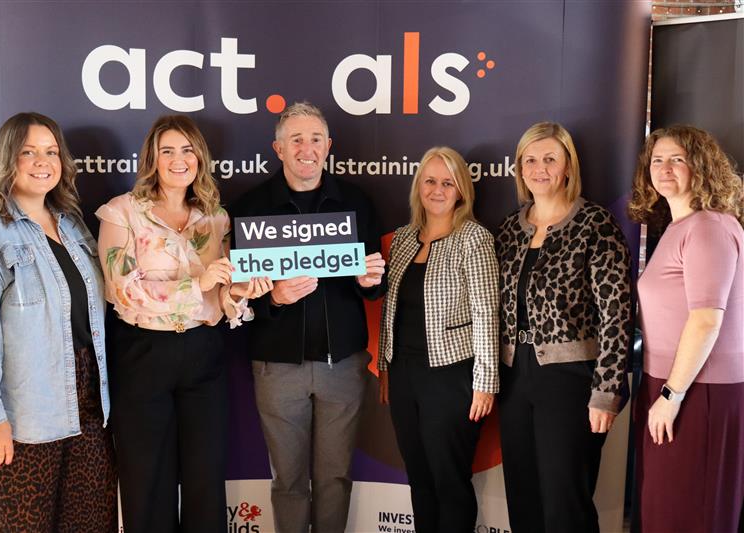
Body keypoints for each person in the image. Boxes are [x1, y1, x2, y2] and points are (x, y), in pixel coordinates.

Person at [0, 112, 117, 531]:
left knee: (90, 524)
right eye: (28, 152)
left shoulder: (71, 223)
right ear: (8, 159)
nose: (43, 161)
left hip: (89, 409)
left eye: (51, 152)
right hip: (23, 418)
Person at [96, 115, 269, 533]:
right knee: (146, 478)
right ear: (152, 159)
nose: (179, 160)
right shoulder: (122, 213)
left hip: (204, 354)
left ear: (200, 158)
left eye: (187, 150)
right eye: (167, 151)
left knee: (206, 478)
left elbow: (221, 291)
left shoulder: (216, 218)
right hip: (143, 354)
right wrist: (198, 284)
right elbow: (120, 290)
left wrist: (240, 292)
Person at [232, 101, 386, 533]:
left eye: (315, 139)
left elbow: (373, 286)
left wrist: (368, 278)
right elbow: (235, 294)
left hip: (343, 365)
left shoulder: (355, 202)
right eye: (296, 139)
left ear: (328, 147)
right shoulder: (251, 207)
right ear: (278, 148)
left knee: (335, 478)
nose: (306, 148)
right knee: (288, 481)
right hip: (278, 366)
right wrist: (274, 299)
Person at [495, 122, 631, 533]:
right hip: (514, 376)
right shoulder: (507, 230)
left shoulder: (596, 225)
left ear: (568, 167)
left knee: (564, 502)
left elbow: (617, 317)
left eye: (550, 159)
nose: (539, 168)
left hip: (571, 381)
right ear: (519, 169)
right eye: (530, 160)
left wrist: (606, 391)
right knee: (523, 495)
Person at [628, 125, 744, 533]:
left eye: (677, 158)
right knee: (665, 512)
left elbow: (706, 319)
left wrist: (672, 396)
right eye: (657, 160)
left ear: (701, 166)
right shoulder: (679, 227)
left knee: (691, 514)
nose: (665, 168)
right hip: (669, 385)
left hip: (698, 391)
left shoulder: (709, 227)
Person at [377, 146, 499, 533]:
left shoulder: (473, 238)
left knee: (449, 480)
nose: (438, 189)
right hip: (405, 374)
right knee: (420, 477)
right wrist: (385, 367)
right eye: (430, 180)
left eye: (448, 182)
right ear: (418, 187)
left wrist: (485, 382)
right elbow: (390, 309)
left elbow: (486, 313)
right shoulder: (403, 239)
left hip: (452, 376)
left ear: (461, 190)